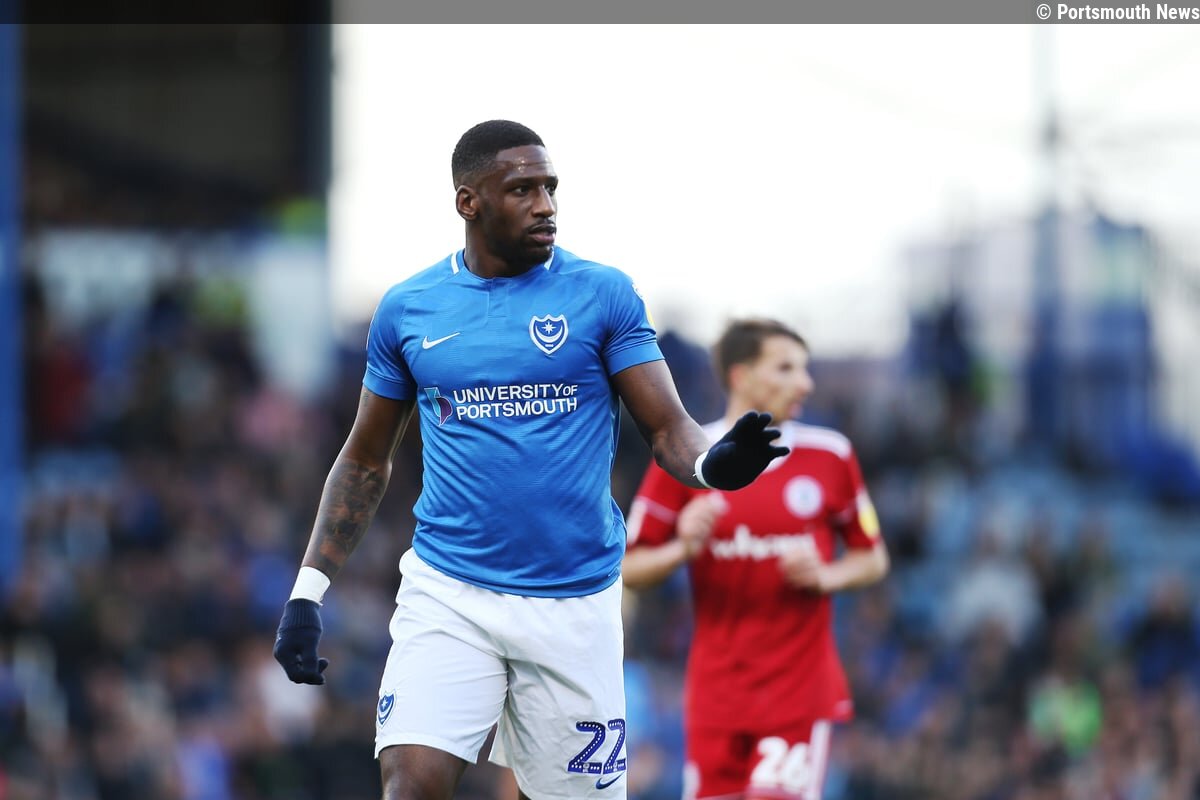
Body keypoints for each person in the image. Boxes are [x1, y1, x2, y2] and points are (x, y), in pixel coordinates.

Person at [271, 120, 789, 800]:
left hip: (574, 602)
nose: (545, 205)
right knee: (411, 783)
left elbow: (669, 428)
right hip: (450, 592)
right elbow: (365, 462)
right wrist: (307, 592)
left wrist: (714, 466)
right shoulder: (408, 310)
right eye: (523, 189)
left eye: (550, 188)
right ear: (469, 202)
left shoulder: (602, 295)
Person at [622, 318, 890, 800]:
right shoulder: (689, 459)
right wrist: (682, 548)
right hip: (716, 698)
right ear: (741, 375)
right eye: (786, 368)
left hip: (797, 695)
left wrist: (826, 575)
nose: (804, 383)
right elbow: (629, 570)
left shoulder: (830, 455)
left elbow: (873, 559)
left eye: (804, 369)